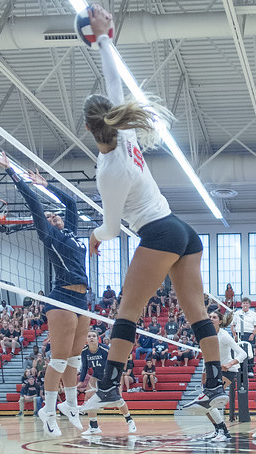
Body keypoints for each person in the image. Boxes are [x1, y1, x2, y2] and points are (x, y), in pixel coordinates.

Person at [78, 6, 227, 418]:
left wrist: (94, 236)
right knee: (197, 313)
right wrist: (105, 38)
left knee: (128, 309)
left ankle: (108, 387)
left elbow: (111, 226)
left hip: (158, 232)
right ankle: (214, 384)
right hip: (182, 230)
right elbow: (114, 82)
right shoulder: (125, 133)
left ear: (89, 130)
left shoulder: (111, 168)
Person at [1, 161, 92, 433]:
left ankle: (71, 405)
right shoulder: (50, 236)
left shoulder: (72, 234)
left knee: (75, 359)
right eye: (50, 218)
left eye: (56, 216)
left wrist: (47, 185)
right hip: (62, 296)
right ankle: (49, 409)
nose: (54, 218)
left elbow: (72, 205)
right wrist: (17, 177)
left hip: (82, 300)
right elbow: (36, 208)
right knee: (60, 358)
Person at [188, 311, 247, 442]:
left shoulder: (224, 336)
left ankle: (224, 432)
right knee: (204, 404)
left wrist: (229, 363)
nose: (211, 319)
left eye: (214, 317)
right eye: (209, 317)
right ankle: (217, 430)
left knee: (209, 401)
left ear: (220, 321)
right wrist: (203, 375)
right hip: (212, 372)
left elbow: (243, 353)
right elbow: (206, 356)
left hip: (228, 371)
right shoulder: (206, 336)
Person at [78, 331, 136, 435]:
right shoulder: (85, 351)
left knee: (118, 400)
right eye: (89, 336)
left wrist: (117, 380)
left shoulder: (104, 349)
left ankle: (130, 420)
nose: (91, 338)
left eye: (94, 336)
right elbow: (85, 367)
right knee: (88, 399)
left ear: (97, 338)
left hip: (109, 376)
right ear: (86, 339)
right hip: (96, 375)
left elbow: (115, 363)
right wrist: (81, 381)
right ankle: (93, 426)